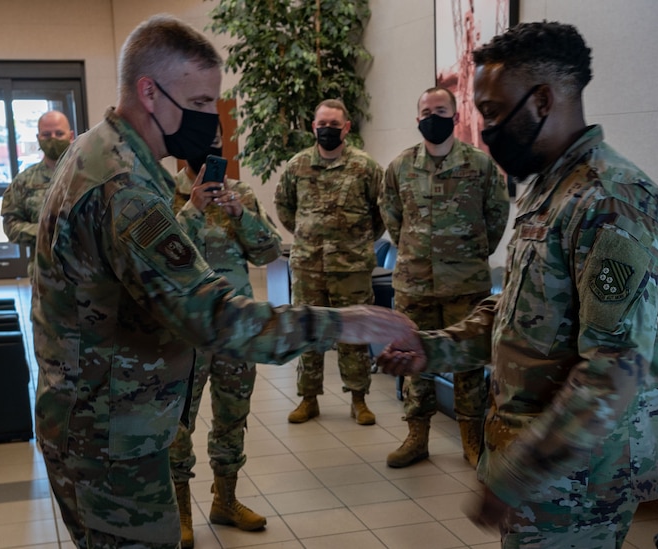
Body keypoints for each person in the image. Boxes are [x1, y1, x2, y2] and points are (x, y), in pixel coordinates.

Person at [32, 15, 415, 549]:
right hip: (109, 436)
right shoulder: (126, 186)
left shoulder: (99, 150)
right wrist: (351, 320)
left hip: (99, 420)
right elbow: (217, 318)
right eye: (202, 103)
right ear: (149, 92)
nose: (213, 119)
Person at [379, 21, 658, 548]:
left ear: (542, 101)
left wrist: (517, 474)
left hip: (578, 480)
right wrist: (431, 350)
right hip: (536, 466)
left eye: (492, 112)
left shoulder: (611, 202)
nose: (486, 129)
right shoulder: (551, 188)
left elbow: (612, 371)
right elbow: (516, 310)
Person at [379, 86, 509, 469]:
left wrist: (468, 255)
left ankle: (471, 437)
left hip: (465, 284)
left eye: (440, 110)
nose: (431, 116)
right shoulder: (400, 167)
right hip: (414, 284)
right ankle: (416, 436)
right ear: (416, 117)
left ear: (455, 116)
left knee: (468, 361)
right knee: (411, 358)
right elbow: (392, 218)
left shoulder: (480, 165)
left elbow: (497, 217)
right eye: (425, 110)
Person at [169, 124, 281, 544]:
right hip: (187, 331)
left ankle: (225, 499)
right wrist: (193, 209)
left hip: (236, 328)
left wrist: (242, 216)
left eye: (216, 139)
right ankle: (181, 509)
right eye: (202, 139)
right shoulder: (167, 193)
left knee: (232, 417)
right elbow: (163, 256)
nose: (210, 145)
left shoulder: (242, 194)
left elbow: (269, 253)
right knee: (180, 423)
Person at [274, 99, 385, 426]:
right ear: (313, 126)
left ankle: (359, 399)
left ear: (346, 128)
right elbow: (284, 208)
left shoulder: (365, 167)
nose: (327, 130)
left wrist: (355, 240)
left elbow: (380, 214)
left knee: (353, 332)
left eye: (334, 125)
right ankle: (308, 399)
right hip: (308, 266)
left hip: (351, 268)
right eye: (322, 124)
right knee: (308, 332)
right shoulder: (297, 165)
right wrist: (310, 235)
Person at [1, 110, 74, 277]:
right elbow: (10, 224)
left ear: (71, 136)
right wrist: (44, 231)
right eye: (46, 134)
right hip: (45, 276)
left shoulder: (90, 175)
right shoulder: (25, 181)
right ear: (38, 138)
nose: (53, 138)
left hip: (91, 279)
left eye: (59, 133)